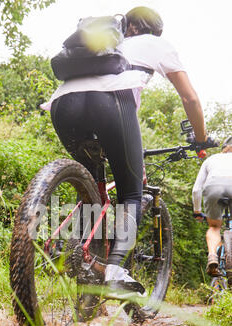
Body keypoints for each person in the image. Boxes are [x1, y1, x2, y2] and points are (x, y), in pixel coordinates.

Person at [42, 6, 209, 293]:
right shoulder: (157, 44)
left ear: (125, 24)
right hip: (110, 103)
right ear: (156, 30)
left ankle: (74, 252)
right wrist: (202, 139)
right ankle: (115, 267)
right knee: (131, 193)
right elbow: (190, 98)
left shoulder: (110, 44)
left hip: (62, 105)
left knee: (94, 188)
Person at [192, 137, 232, 275]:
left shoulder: (212, 159)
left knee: (214, 227)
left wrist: (197, 211)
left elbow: (197, 189)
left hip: (213, 188)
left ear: (224, 148)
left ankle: (212, 256)